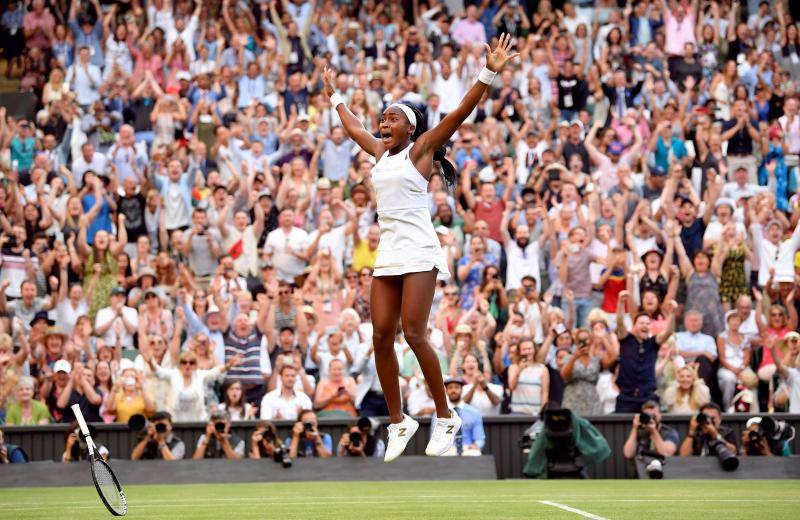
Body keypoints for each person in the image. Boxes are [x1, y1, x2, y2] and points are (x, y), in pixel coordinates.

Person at [321, 34, 519, 462]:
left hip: (419, 250)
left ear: (411, 128)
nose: (383, 123)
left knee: (413, 333)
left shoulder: (421, 151)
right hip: (389, 250)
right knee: (379, 336)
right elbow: (353, 125)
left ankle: (445, 417)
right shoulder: (378, 151)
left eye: (392, 118)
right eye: (383, 118)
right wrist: (335, 94)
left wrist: (488, 72)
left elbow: (460, 113)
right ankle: (399, 422)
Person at [614, 292, 677, 413]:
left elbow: (669, 331)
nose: (645, 326)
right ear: (634, 326)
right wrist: (621, 303)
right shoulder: (626, 339)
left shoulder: (653, 342)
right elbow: (619, 322)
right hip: (626, 397)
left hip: (648, 397)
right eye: (641, 323)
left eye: (648, 323)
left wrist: (672, 313)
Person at [441, 376, 485, 455]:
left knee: (475, 453)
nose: (453, 390)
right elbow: (434, 438)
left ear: (462, 390)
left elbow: (480, 438)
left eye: (457, 387)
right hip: (447, 449)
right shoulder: (440, 413)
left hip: (467, 447)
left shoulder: (474, 412)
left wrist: (477, 445)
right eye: (450, 388)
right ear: (446, 391)